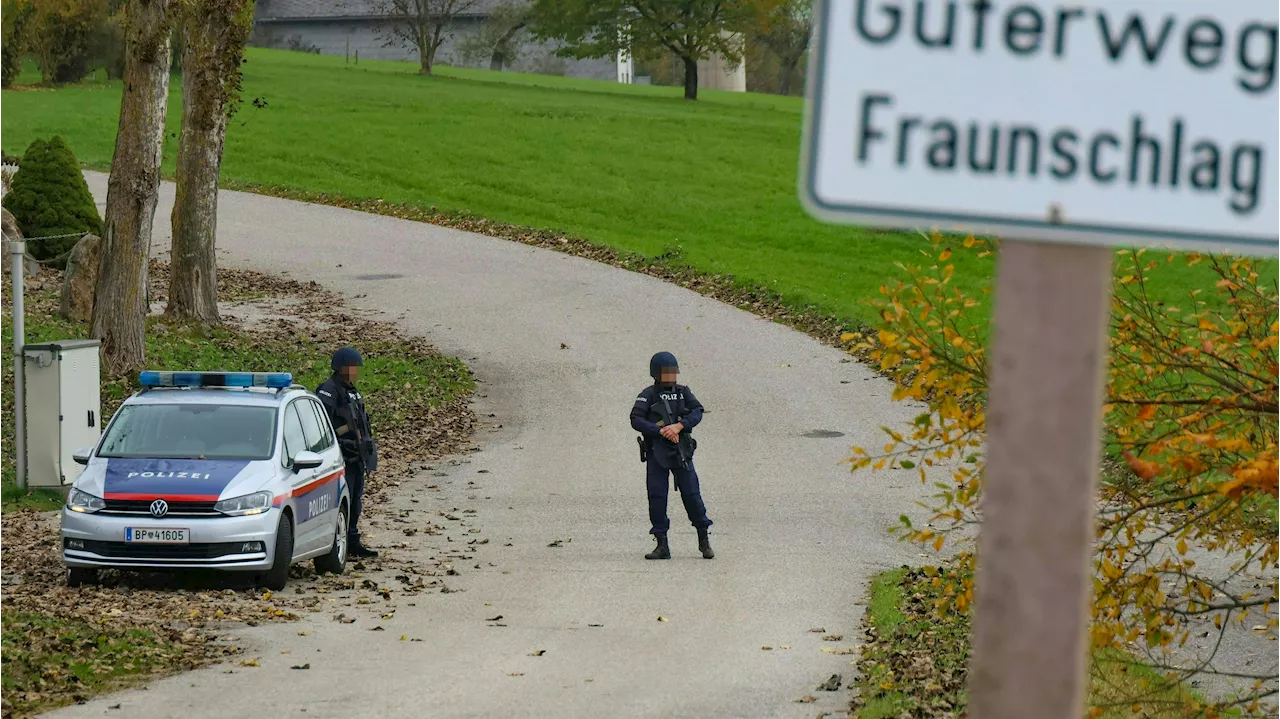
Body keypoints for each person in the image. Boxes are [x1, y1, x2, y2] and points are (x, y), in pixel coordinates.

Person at [630, 351, 714, 560]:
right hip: (656, 451)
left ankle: (703, 539)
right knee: (657, 496)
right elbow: (635, 419)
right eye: (666, 372)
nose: (670, 376)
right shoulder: (648, 394)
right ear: (656, 373)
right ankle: (661, 544)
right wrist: (659, 430)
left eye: (672, 372)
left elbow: (697, 411)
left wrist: (679, 426)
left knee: (692, 495)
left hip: (681, 451)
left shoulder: (683, 392)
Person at [317, 346, 379, 559]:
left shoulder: (353, 391)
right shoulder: (329, 391)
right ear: (341, 368)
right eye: (352, 367)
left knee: (356, 500)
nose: (355, 372)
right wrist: (343, 440)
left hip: (356, 457)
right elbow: (323, 424)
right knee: (344, 500)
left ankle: (352, 540)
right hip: (340, 457)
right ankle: (337, 542)